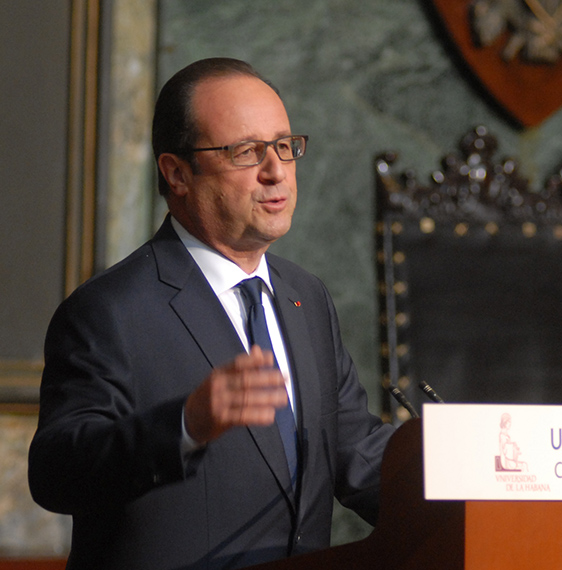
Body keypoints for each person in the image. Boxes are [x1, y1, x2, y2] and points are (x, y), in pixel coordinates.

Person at [28, 57, 395, 570]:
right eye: (247, 152)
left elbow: (356, 453)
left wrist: (472, 482)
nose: (276, 171)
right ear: (176, 173)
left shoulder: (305, 297)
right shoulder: (108, 312)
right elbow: (58, 472)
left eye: (285, 147)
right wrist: (184, 424)